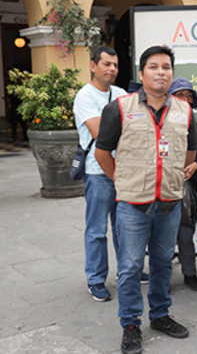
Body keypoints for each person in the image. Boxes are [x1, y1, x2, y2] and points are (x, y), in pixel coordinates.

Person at [95, 45, 197, 354]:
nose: (161, 72)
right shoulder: (120, 107)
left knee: (163, 263)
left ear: (172, 73)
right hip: (132, 204)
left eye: (166, 67)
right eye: (153, 67)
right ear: (141, 74)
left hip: (169, 202)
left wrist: (173, 176)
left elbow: (191, 151)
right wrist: (120, 179)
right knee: (129, 267)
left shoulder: (184, 111)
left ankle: (159, 315)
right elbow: (102, 152)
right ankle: (130, 324)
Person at [73, 46, 129, 302]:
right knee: (97, 229)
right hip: (98, 172)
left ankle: (127, 273)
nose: (112, 69)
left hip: (125, 171)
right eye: (106, 64)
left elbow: (136, 127)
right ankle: (95, 279)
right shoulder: (85, 97)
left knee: (124, 227)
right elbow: (100, 134)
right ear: (93, 66)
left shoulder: (120, 94)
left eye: (115, 65)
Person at [168, 78, 197, 291]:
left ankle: (190, 273)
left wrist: (194, 165)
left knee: (185, 230)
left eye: (188, 96)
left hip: (187, 184)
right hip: (162, 184)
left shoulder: (193, 122)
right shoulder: (160, 120)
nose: (184, 100)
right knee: (162, 233)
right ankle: (162, 276)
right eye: (180, 95)